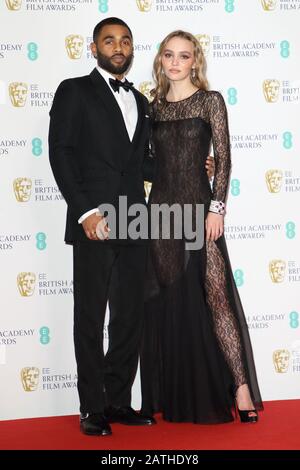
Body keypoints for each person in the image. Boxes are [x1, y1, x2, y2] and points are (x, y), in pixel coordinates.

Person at [49, 17, 215, 436]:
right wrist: (87, 213)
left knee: (129, 317)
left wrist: (194, 165)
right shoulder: (74, 91)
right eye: (109, 40)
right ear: (94, 48)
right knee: (90, 316)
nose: (118, 47)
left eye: (125, 40)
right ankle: (91, 408)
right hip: (96, 224)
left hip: (136, 221)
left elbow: (141, 163)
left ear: (133, 48)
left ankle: (119, 401)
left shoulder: (141, 101)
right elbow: (61, 153)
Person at [140, 30, 263, 424]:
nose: (176, 62)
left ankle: (241, 389)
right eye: (169, 55)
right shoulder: (153, 108)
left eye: (184, 56)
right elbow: (147, 163)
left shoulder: (211, 102)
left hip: (199, 210)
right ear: (161, 60)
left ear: (196, 61)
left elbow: (223, 160)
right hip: (160, 214)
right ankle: (177, 395)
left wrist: (217, 208)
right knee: (170, 300)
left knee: (216, 294)